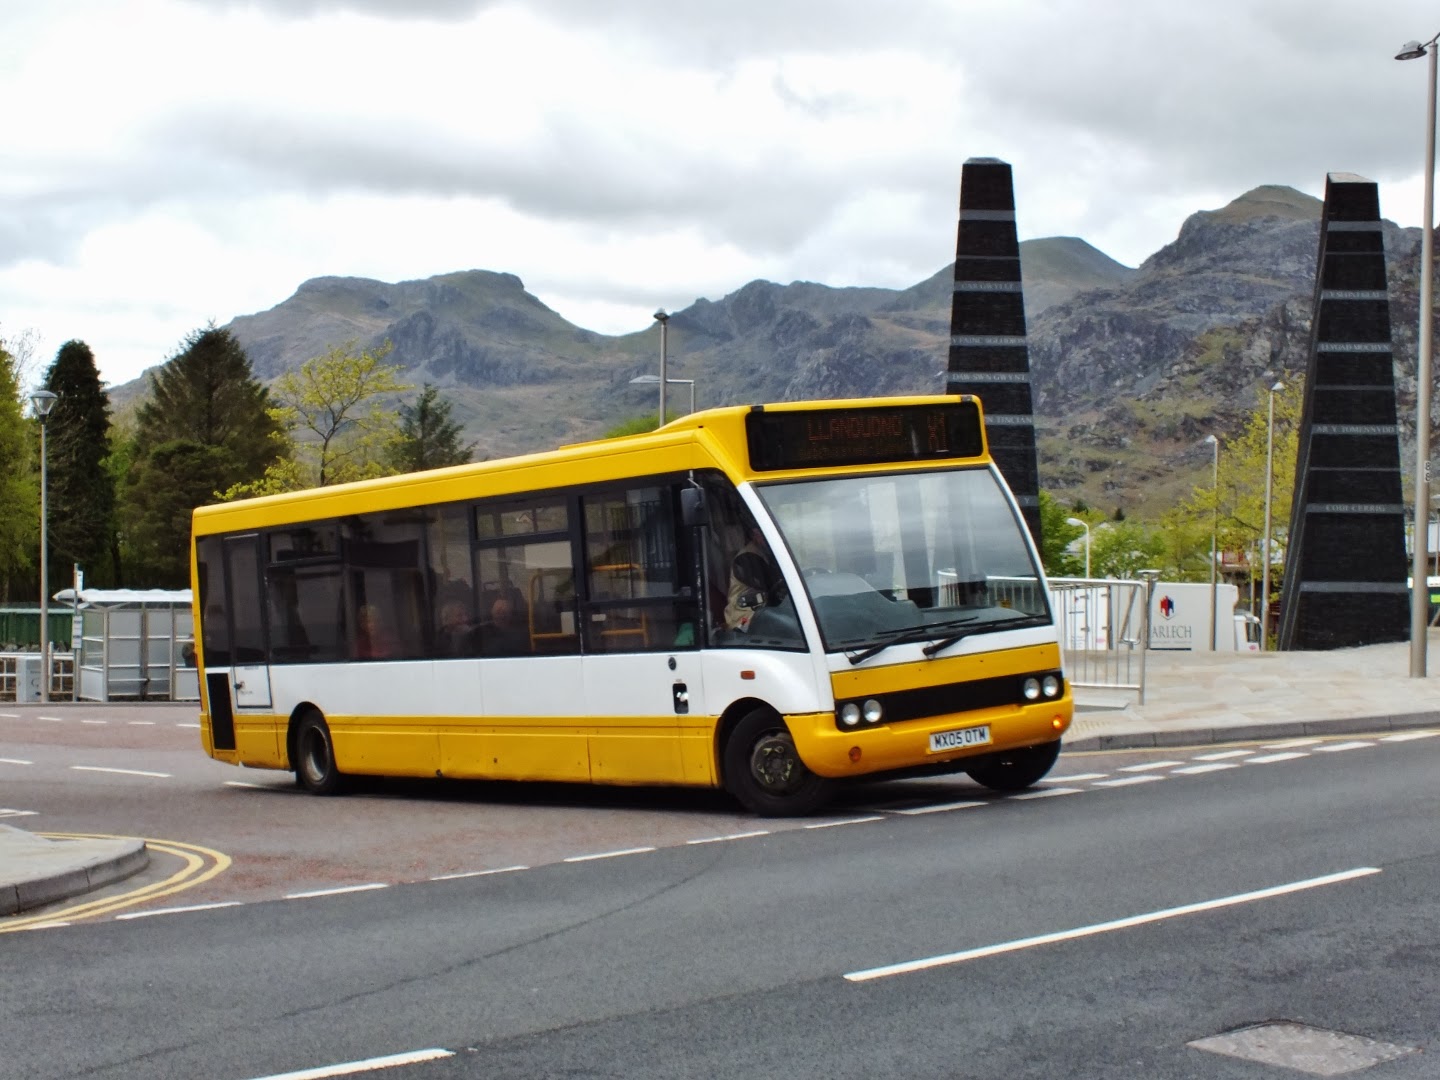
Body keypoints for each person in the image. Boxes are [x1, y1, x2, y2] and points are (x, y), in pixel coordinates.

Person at [724, 526, 783, 632]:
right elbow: (770, 585)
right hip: (744, 619)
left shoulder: (763, 553)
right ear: (755, 534)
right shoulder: (747, 557)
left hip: (761, 612)